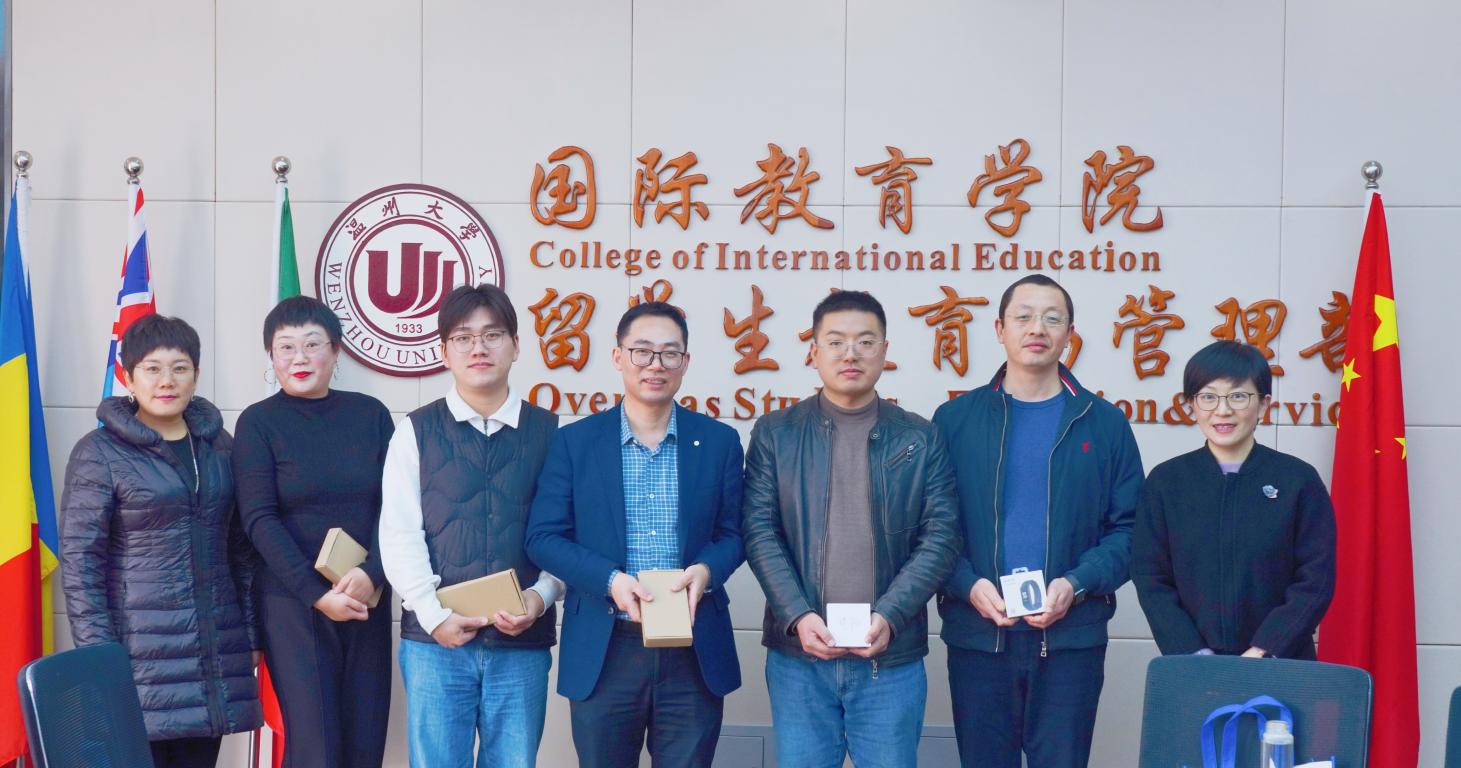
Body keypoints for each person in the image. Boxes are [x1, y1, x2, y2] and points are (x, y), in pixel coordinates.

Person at [933, 274, 1143, 768]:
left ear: (1070, 334)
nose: (1037, 329)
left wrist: (1076, 584)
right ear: (999, 328)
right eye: (1023, 317)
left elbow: (1130, 529)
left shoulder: (1104, 422)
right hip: (979, 635)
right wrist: (967, 585)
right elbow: (932, 527)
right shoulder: (955, 420)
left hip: (1070, 640)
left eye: (1052, 318)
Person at [742, 290, 960, 768]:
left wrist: (890, 615)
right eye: (836, 341)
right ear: (813, 351)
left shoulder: (920, 436)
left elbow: (941, 537)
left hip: (890, 657)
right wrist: (798, 616)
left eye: (865, 341)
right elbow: (759, 530)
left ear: (885, 350)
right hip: (800, 658)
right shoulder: (776, 433)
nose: (851, 354)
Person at [526, 301, 745, 768]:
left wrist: (707, 571)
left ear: (686, 361)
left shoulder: (719, 442)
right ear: (618, 357)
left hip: (693, 649)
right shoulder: (576, 442)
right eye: (642, 351)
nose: (655, 365)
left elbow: (735, 533)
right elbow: (543, 537)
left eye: (669, 353)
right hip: (606, 647)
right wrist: (610, 580)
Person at [61, 314, 261, 768]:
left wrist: (250, 634)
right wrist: (98, 655)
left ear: (196, 375)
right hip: (136, 657)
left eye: (179, 368)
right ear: (129, 377)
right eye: (152, 368)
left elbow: (242, 551)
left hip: (213, 655)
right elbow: (81, 564)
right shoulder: (99, 452)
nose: (166, 381)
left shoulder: (219, 446)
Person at [379, 284, 564, 768]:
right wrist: (432, 615)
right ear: (444, 351)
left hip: (521, 644)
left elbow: (567, 536)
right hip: (435, 645)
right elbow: (399, 534)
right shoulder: (415, 431)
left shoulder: (551, 433)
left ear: (516, 345)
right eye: (463, 338)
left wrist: (541, 597)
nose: (478, 348)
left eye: (492, 335)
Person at [232, 296, 394, 767]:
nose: (299, 357)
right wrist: (317, 594)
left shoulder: (371, 415)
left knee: (365, 743)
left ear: (336, 351)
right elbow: (258, 518)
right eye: (285, 347)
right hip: (294, 605)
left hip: (366, 597)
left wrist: (373, 573)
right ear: (271, 356)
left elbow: (396, 507)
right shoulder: (258, 422)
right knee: (315, 749)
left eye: (312, 344)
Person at [1133, 340, 1336, 659]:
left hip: (1281, 662)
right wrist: (1192, 653)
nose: (1223, 410)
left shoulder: (1298, 480)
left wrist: (1266, 648)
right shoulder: (1166, 482)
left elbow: (1316, 578)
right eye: (1208, 397)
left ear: (1264, 404)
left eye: (1238, 396)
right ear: (1191, 404)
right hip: (1193, 667)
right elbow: (1151, 577)